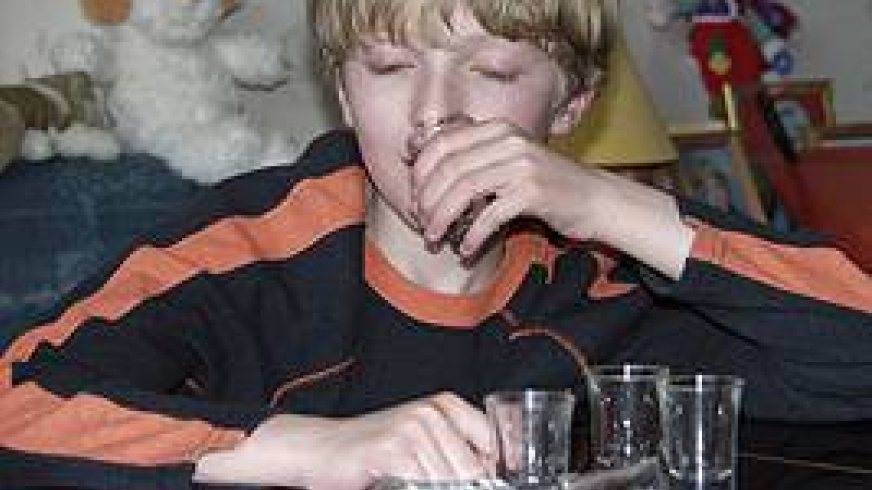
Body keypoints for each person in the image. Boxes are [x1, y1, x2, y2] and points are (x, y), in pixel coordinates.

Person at [1, 0, 871, 488]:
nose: (433, 115)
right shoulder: (246, 252)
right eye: (388, 69)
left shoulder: (609, 280)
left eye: (492, 72)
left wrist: (605, 202)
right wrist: (313, 449)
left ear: (571, 106)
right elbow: (19, 404)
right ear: (344, 93)